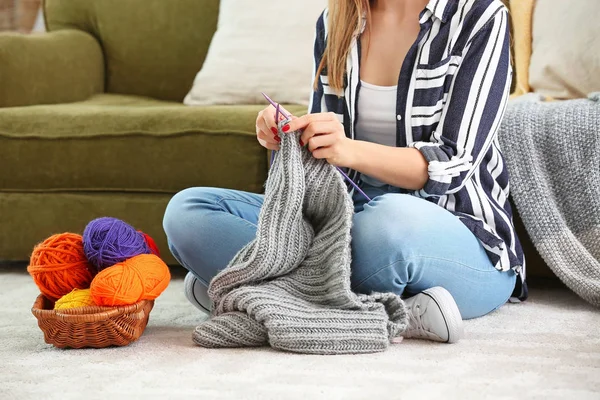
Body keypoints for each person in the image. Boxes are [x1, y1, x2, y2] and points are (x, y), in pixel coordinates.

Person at [163, 0, 526, 344]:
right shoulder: (337, 20)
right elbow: (320, 169)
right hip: (343, 233)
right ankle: (359, 306)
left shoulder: (480, 15)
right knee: (189, 212)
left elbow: (453, 161)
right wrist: (291, 137)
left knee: (386, 223)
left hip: (453, 239)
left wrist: (348, 150)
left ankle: (259, 293)